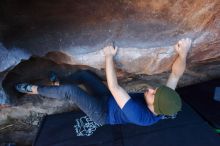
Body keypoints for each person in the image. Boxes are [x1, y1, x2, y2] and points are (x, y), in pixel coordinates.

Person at [15, 38, 192, 126]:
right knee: (84, 75)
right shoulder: (165, 100)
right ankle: (58, 82)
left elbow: (115, 87)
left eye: (153, 94)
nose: (151, 89)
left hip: (102, 113)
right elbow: (176, 75)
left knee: (72, 91)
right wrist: (183, 53)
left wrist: (108, 56)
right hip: (109, 100)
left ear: (155, 108)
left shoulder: (139, 115)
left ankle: (35, 89)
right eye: (156, 90)